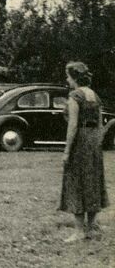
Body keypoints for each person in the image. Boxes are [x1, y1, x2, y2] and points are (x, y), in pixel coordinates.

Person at [59, 61, 109, 242]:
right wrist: (97, 139)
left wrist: (66, 151)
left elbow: (72, 125)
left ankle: (79, 231)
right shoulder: (95, 96)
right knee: (93, 179)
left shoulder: (75, 96)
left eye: (68, 76)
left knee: (76, 180)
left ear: (74, 77)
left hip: (80, 140)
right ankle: (91, 227)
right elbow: (101, 121)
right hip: (94, 140)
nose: (66, 79)